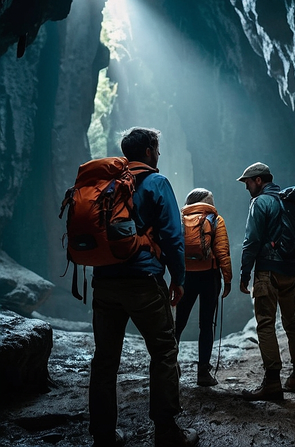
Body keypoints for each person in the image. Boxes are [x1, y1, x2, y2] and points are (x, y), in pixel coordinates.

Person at [88, 127, 198, 447]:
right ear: (149, 151)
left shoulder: (107, 184)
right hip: (144, 281)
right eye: (158, 149)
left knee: (105, 359)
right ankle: (166, 432)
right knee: (163, 352)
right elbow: (173, 238)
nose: (159, 154)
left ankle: (104, 436)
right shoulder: (156, 182)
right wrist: (178, 279)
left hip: (104, 282)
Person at [237, 162, 295, 401]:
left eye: (248, 182)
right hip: (291, 270)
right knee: (292, 322)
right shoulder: (289, 200)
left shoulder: (260, 202)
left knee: (265, 324)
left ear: (259, 180)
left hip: (268, 271)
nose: (246, 187)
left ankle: (272, 382)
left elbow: (252, 241)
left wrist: (244, 273)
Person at [175, 188, 232, 386]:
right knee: (206, 325)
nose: (213, 203)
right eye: (211, 199)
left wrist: (175, 277)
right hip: (209, 276)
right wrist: (228, 279)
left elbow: (173, 247)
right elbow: (222, 252)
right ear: (204, 201)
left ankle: (170, 364)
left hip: (186, 276)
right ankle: (203, 373)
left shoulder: (179, 218)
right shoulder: (216, 220)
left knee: (178, 323)